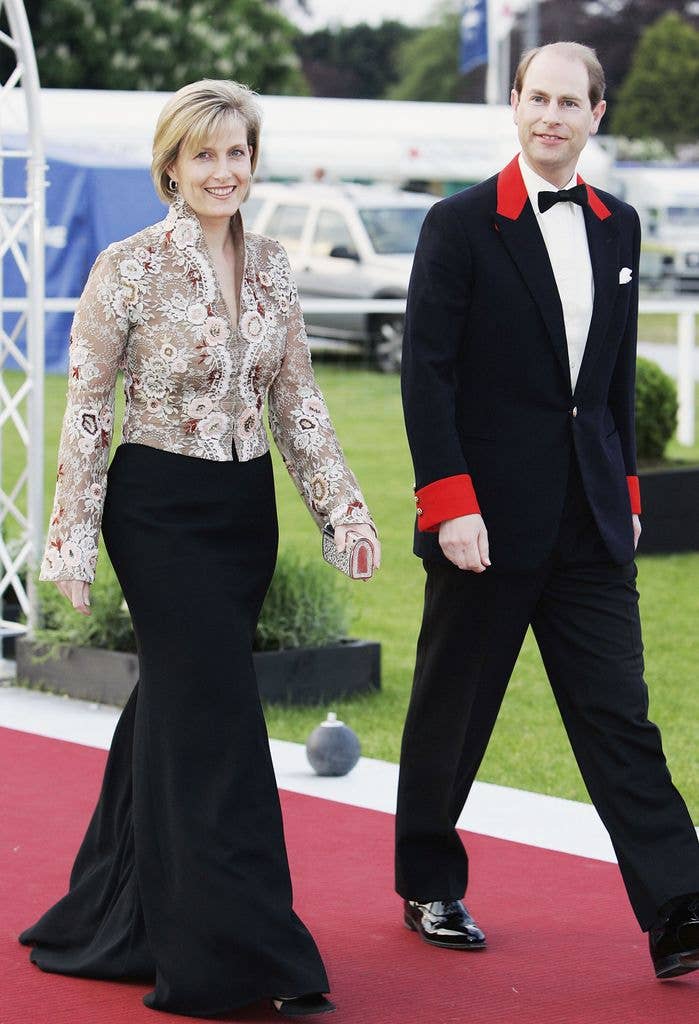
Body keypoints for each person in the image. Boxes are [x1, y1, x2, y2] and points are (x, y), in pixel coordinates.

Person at [20, 79, 380, 1018]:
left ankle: (112, 910)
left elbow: (296, 400)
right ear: (171, 166)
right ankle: (236, 948)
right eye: (205, 154)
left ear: (252, 163)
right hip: (158, 512)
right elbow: (90, 410)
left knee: (175, 707)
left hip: (241, 511)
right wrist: (69, 542)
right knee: (217, 717)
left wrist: (344, 512)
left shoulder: (271, 266)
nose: (224, 171)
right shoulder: (126, 266)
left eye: (238, 153)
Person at [396, 41, 699, 979]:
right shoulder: (457, 225)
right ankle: (428, 884)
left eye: (570, 102)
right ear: (516, 106)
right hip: (482, 524)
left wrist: (631, 493)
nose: (550, 117)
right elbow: (426, 374)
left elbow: (607, 378)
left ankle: (680, 906)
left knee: (620, 716)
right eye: (536, 99)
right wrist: (450, 503)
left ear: (596, 114)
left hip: (590, 525)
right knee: (455, 711)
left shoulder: (619, 225)